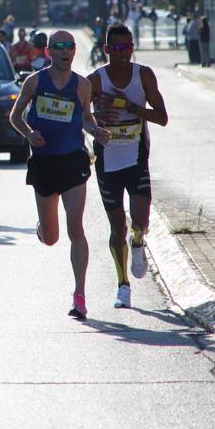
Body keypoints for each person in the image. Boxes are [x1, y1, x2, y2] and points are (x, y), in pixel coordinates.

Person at [10, 30, 110, 320]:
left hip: (73, 161)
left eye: (70, 47)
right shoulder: (34, 81)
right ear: (49, 52)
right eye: (59, 47)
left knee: (75, 228)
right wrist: (29, 134)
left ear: (74, 52)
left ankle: (80, 295)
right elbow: (15, 117)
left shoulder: (81, 85)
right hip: (43, 162)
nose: (65, 51)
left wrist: (97, 132)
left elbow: (86, 119)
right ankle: (42, 226)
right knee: (52, 238)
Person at [87, 23, 168, 309]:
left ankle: (138, 241)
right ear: (107, 49)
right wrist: (97, 117)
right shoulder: (95, 80)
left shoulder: (143, 75)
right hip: (107, 161)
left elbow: (162, 117)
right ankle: (123, 286)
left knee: (141, 219)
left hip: (136, 157)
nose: (124, 54)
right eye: (118, 49)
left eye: (128, 47)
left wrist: (131, 107)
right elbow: (80, 117)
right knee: (116, 225)